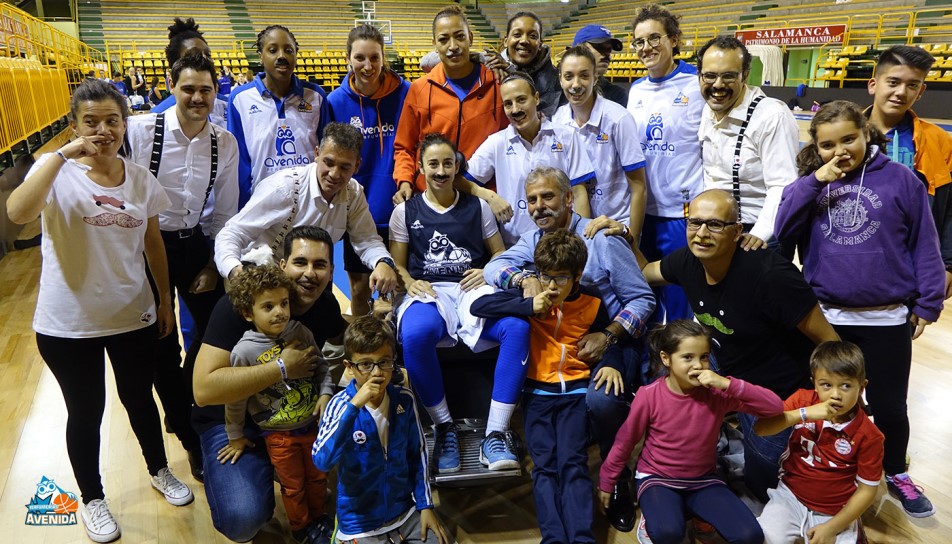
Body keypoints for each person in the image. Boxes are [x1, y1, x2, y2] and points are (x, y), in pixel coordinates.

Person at [6, 79, 193, 543]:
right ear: (74, 126)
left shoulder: (140, 178)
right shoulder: (54, 171)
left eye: (112, 121)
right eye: (90, 122)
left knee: (139, 399)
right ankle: (92, 498)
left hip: (132, 315)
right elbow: (17, 214)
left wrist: (164, 298)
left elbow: (153, 243)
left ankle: (159, 469)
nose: (102, 131)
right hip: (68, 325)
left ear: (125, 125)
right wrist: (62, 155)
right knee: (86, 411)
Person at [774, 100, 944, 519]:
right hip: (825, 317)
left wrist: (928, 301)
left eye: (849, 139)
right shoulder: (810, 183)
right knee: (826, 400)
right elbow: (783, 231)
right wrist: (815, 181)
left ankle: (895, 470)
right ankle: (823, 465)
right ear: (816, 147)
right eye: (828, 144)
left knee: (890, 405)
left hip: (886, 316)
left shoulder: (902, 179)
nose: (840, 151)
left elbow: (925, 243)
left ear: (866, 133)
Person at [624, 189, 840, 502]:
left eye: (714, 225)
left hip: (776, 388)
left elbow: (829, 341)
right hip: (724, 361)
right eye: (695, 222)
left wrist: (838, 397)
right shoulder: (689, 260)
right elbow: (647, 272)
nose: (701, 233)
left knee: (765, 480)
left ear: (737, 231)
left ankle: (727, 439)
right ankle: (705, 442)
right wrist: (627, 239)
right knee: (668, 382)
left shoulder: (771, 276)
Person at [483, 166, 655, 531]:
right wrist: (524, 278)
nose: (539, 207)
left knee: (602, 400)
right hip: (559, 354)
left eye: (547, 197)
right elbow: (493, 269)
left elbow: (643, 300)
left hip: (611, 339)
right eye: (532, 200)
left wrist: (608, 336)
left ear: (567, 198)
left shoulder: (601, 238)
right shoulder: (533, 239)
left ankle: (617, 474)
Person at [125, 53, 240, 482]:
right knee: (161, 344)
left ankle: (192, 404)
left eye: (205, 90)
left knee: (218, 333)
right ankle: (190, 439)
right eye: (188, 88)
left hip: (194, 245)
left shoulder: (224, 142)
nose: (197, 97)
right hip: (143, 246)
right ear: (171, 86)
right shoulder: (140, 130)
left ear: (215, 93)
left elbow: (224, 213)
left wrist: (212, 263)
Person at [193, 226, 348, 542]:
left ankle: (288, 471)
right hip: (234, 424)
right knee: (243, 518)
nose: (309, 273)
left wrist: (382, 336)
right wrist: (281, 368)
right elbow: (203, 390)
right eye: (300, 262)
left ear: (332, 271)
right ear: (282, 265)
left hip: (295, 418)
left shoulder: (324, 306)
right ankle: (260, 469)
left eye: (319, 265)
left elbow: (346, 344)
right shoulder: (240, 306)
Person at [391, 134, 528, 472]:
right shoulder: (404, 212)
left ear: (457, 167)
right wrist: (409, 282)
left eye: (447, 163)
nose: (441, 171)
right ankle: (444, 427)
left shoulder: (478, 207)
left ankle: (496, 433)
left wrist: (486, 270)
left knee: (517, 328)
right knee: (415, 333)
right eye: (433, 164)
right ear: (420, 167)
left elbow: (499, 253)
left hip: (472, 288)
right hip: (431, 290)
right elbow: (397, 265)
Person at [472, 229, 609, 544]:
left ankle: (582, 538)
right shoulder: (531, 297)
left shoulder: (592, 301)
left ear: (577, 276)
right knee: (544, 467)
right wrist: (528, 306)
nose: (551, 285)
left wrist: (609, 356)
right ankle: (553, 538)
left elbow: (606, 339)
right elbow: (478, 308)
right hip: (536, 395)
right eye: (545, 276)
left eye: (561, 278)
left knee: (573, 463)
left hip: (575, 393)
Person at [599, 320, 781, 544]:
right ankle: (658, 517)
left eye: (704, 357)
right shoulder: (649, 395)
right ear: (666, 358)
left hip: (703, 480)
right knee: (668, 533)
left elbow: (774, 407)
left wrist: (727, 384)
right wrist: (607, 480)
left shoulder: (716, 394)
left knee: (750, 536)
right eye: (688, 357)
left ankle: (691, 514)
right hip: (657, 478)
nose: (698, 365)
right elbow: (625, 442)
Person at [214, 123, 398, 301]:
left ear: (357, 165)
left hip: (307, 281)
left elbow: (367, 239)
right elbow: (231, 233)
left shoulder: (354, 193)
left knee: (329, 310)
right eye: (329, 163)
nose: (334, 174)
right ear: (317, 154)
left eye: (344, 167)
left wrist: (383, 261)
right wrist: (235, 270)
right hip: (260, 277)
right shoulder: (284, 188)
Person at [219, 265, 333, 544]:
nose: (279, 312)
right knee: (293, 486)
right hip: (279, 436)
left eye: (283, 303)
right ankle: (301, 527)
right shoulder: (244, 351)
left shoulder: (301, 332)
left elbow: (322, 368)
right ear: (248, 313)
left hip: (313, 426)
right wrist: (235, 435)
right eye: (268, 307)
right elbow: (236, 398)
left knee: (319, 477)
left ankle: (319, 517)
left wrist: (325, 394)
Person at [313, 316, 450, 544]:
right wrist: (354, 406)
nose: (377, 372)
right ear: (349, 368)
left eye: (384, 362)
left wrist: (425, 505)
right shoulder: (338, 405)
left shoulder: (404, 399)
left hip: (404, 512)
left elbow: (417, 454)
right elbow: (322, 462)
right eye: (366, 364)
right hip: (358, 524)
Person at [754, 341, 884, 544]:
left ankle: (853, 528)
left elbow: (867, 490)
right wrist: (803, 414)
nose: (835, 395)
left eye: (846, 385)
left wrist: (832, 528)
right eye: (826, 385)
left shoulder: (870, 435)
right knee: (763, 538)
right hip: (790, 495)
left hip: (837, 508)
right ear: (814, 383)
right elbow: (761, 429)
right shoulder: (802, 401)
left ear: (861, 387)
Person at [627, 3, 704, 324]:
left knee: (678, 302)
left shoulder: (697, 84)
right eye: (639, 41)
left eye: (654, 38)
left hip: (680, 214)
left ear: (673, 40)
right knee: (643, 296)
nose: (646, 47)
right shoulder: (635, 90)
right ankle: (649, 355)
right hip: (642, 213)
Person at [327, 24, 410, 317]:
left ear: (383, 57)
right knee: (360, 291)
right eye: (360, 57)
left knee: (401, 288)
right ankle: (362, 344)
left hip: (400, 207)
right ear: (348, 58)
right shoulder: (335, 102)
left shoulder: (406, 93)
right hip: (357, 213)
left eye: (375, 57)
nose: (368, 65)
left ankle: (397, 345)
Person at [463, 72, 595, 246]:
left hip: (562, 244)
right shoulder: (496, 143)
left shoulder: (567, 136)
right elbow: (459, 181)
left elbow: (579, 193)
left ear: (536, 98)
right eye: (508, 104)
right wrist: (490, 196)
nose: (515, 109)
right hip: (516, 246)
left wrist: (582, 243)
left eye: (521, 100)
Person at [392, 5, 507, 204]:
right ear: (435, 44)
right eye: (444, 39)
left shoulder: (498, 84)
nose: (453, 46)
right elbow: (404, 147)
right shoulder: (419, 89)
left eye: (459, 37)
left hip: (483, 198)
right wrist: (404, 181)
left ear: (470, 38)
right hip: (431, 197)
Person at [697, 36, 799, 251]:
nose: (718, 85)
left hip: (759, 233)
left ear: (745, 75)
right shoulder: (707, 110)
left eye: (728, 76)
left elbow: (783, 186)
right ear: (700, 75)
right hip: (717, 228)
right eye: (710, 76)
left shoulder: (772, 115)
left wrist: (759, 234)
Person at [865, 45, 952, 300]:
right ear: (873, 84)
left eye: (912, 85)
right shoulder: (842, 134)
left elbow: (950, 207)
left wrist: (948, 264)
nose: (901, 92)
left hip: (911, 267)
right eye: (893, 82)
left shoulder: (939, 141)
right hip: (851, 261)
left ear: (921, 91)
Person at [553, 45, 646, 242]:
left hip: (615, 227)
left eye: (584, 76)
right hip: (578, 229)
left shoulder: (618, 118)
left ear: (595, 78)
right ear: (560, 79)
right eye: (568, 76)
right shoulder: (558, 119)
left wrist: (633, 238)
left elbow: (639, 187)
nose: (576, 84)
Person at [228, 24, 329, 206]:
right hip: (261, 203)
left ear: (296, 56)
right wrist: (246, 205)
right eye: (273, 50)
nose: (282, 56)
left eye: (289, 50)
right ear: (261, 56)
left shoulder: (316, 96)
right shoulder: (240, 99)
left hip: (308, 202)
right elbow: (238, 160)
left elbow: (326, 152)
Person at [152, 18, 228, 129]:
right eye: (194, 55)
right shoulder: (156, 119)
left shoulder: (229, 105)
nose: (204, 60)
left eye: (208, 55)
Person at [483, 11, 561, 118]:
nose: (524, 41)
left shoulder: (555, 80)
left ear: (540, 44)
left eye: (533, 36)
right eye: (517, 35)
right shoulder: (488, 67)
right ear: (506, 41)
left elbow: (537, 119)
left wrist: (511, 71)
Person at [566, 24, 628, 107]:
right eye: (600, 48)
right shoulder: (555, 89)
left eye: (609, 50)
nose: (607, 54)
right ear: (578, 51)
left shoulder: (616, 94)